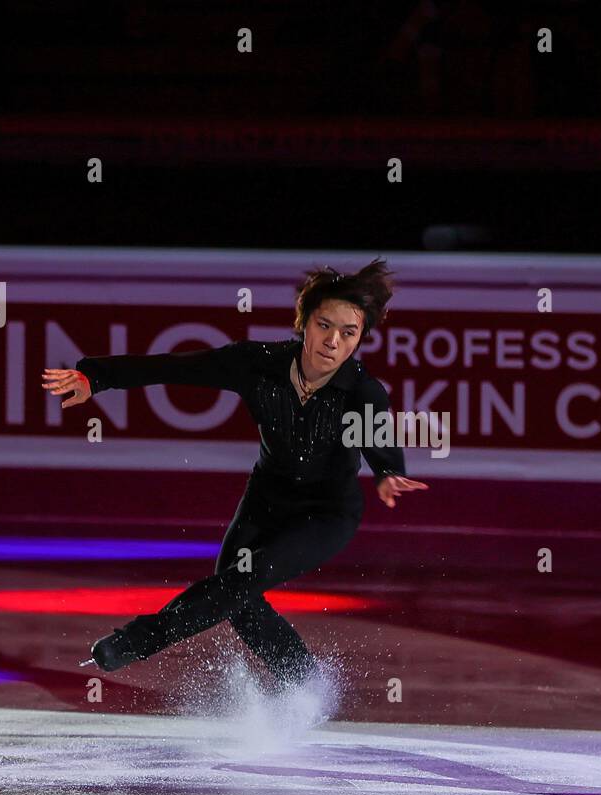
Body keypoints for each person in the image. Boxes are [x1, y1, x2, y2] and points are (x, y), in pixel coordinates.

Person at [41, 257, 428, 691]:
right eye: (324, 325)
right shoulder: (257, 364)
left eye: (348, 333)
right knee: (235, 594)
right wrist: (97, 378)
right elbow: (175, 367)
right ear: (304, 322)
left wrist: (390, 470)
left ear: (359, 340)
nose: (333, 342)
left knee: (238, 584)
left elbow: (379, 440)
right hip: (266, 501)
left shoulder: (362, 392)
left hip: (326, 514)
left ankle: (136, 640)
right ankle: (305, 682)